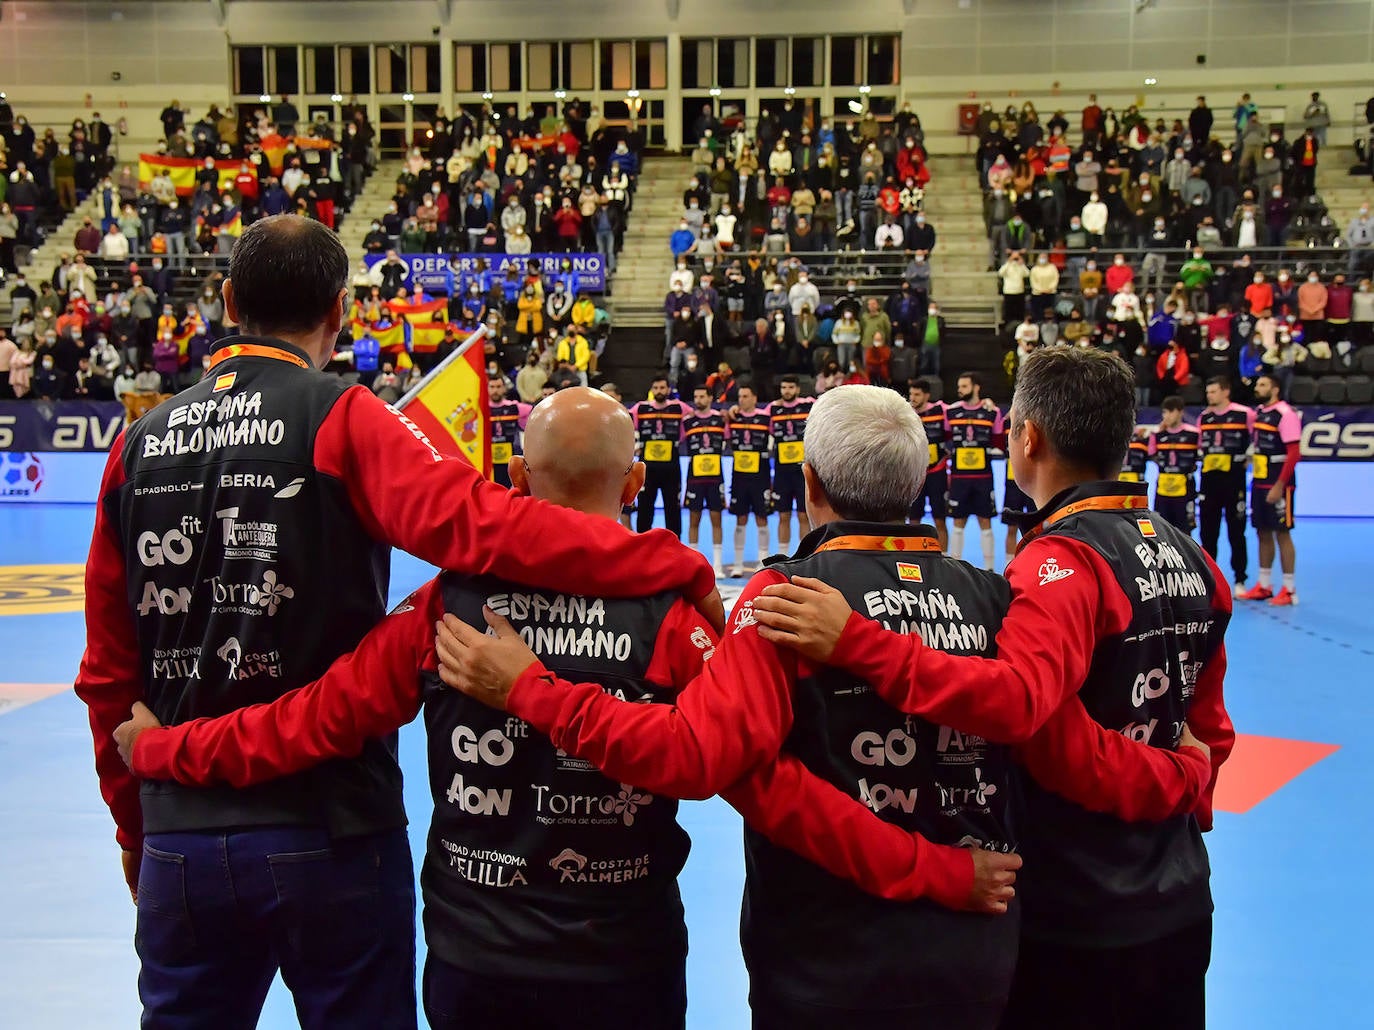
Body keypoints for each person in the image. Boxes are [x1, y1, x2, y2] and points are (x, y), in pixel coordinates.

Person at [72, 215, 721, 1029]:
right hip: (331, 830)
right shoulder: (340, 418)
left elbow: (106, 676)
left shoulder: (135, 447)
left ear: (230, 301)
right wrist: (672, 564)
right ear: (340, 312)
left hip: (183, 833)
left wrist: (139, 823)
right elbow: (483, 526)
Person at [110, 388, 781, 1030]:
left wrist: (162, 750)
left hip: (477, 959)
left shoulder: (442, 611)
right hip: (625, 960)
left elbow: (312, 720)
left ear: (516, 475)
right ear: (635, 484)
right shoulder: (678, 624)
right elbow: (725, 759)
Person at [434, 386, 1035, 1027]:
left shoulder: (778, 604)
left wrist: (532, 689)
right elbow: (1043, 736)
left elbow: (710, 762)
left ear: (808, 482)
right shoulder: (1001, 599)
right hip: (975, 946)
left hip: (816, 955)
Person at [748, 347, 1234, 1030]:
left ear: (1027, 438)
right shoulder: (1195, 556)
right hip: (1180, 891)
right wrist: (1187, 779)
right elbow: (1209, 733)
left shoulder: (1060, 562)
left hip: (1078, 906)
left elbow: (1028, 723)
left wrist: (858, 640)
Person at [1237, 373, 1301, 606]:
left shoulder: (1286, 414)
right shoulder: (1261, 413)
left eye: (1263, 385)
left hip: (1278, 483)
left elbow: (1294, 453)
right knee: (1262, 531)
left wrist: (1280, 485)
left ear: (1275, 389)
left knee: (1282, 532)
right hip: (1259, 481)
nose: (1258, 387)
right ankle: (1264, 585)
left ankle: (1290, 589)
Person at [1198, 376, 1254, 592]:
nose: (1208, 395)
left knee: (1236, 531)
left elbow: (1255, 441)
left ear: (1225, 392)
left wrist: (1246, 462)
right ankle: (1209, 581)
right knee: (1208, 532)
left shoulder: (1244, 414)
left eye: (1213, 391)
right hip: (1209, 481)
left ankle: (1240, 579)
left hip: (1234, 481)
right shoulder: (1204, 417)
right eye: (1208, 391)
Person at [944, 372, 1001, 570]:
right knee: (957, 522)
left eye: (964, 386)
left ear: (976, 387)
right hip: (959, 479)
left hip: (983, 479)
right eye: (959, 386)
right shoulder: (950, 412)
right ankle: (955, 568)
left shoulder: (992, 412)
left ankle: (990, 569)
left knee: (986, 522)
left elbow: (999, 441)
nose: (960, 390)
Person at [632, 375, 688, 538]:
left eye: (662, 388)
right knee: (644, 509)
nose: (659, 391)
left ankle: (676, 547)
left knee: (673, 510)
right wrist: (635, 447)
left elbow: (700, 414)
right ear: (651, 390)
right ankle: (642, 548)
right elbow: (624, 421)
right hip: (647, 471)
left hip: (671, 469)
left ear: (668, 390)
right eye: (656, 388)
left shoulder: (679, 408)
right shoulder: (640, 409)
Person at [726, 383, 772, 577]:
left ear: (754, 398)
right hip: (739, 476)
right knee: (740, 518)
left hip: (760, 475)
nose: (742, 400)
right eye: (740, 397)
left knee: (762, 517)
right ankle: (737, 564)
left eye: (746, 396)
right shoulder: (732, 418)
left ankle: (762, 562)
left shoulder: (765, 418)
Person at [683, 385, 728, 576]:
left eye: (702, 396)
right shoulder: (687, 422)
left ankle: (717, 565)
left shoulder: (721, 420)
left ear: (710, 398)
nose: (698, 399)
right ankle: (693, 562)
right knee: (694, 519)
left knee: (716, 519)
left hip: (716, 478)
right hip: (694, 478)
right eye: (695, 396)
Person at [767, 374, 813, 556]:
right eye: (784, 387)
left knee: (804, 515)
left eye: (790, 387)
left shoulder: (808, 405)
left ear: (798, 389)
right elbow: (750, 412)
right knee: (783, 515)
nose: (787, 391)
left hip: (802, 472)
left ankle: (804, 556)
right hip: (781, 473)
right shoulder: (773, 409)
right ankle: (783, 556)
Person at [907, 378, 948, 551]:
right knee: (913, 519)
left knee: (940, 519)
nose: (912, 398)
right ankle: (913, 554)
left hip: (937, 473)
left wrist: (987, 402)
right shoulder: (906, 413)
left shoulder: (941, 410)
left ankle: (945, 557)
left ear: (927, 395)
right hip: (914, 474)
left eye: (917, 394)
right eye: (911, 394)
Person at [1150, 396, 1201, 534]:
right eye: (1164, 412)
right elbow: (1151, 455)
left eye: (1170, 412)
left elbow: (1201, 454)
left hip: (1185, 491)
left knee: (1185, 532)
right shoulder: (1158, 435)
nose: (1166, 416)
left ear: (1180, 412)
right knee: (1162, 531)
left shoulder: (1193, 434)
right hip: (1163, 491)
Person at [488, 372, 532, 489]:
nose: (495, 390)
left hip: (511, 461)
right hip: (489, 462)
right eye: (492, 387)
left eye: (498, 387)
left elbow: (533, 412)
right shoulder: (481, 409)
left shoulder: (514, 407)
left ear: (504, 388)